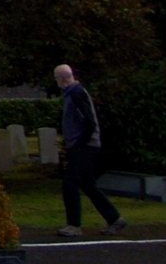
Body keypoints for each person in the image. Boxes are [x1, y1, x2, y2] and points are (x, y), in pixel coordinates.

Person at [54, 63, 127, 238]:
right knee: (87, 184)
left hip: (84, 146)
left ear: (62, 79)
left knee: (70, 183)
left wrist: (78, 143)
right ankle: (114, 218)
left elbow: (89, 122)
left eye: (57, 79)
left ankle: (74, 224)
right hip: (85, 145)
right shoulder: (74, 93)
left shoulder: (76, 94)